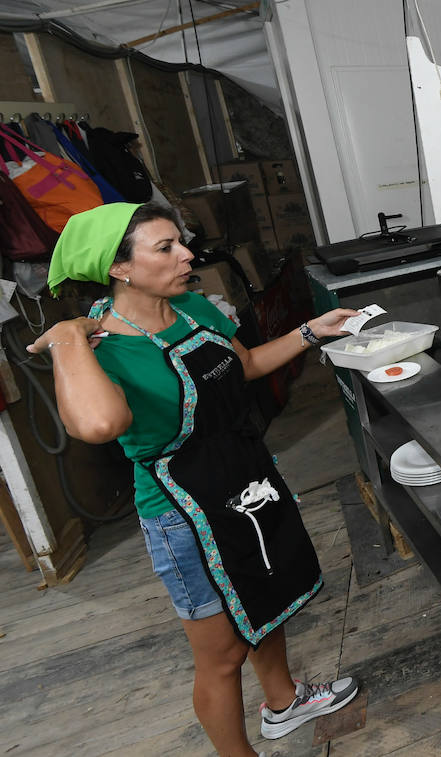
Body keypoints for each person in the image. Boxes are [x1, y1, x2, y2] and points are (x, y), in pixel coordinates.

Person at [28, 202, 362, 756]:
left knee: (266, 599)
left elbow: (246, 366)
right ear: (120, 268)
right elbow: (99, 423)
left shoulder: (190, 309)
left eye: (180, 242)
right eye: (165, 248)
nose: (187, 254)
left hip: (245, 478)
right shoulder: (99, 347)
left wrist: (311, 330)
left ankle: (284, 703)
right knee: (222, 655)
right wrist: (66, 335)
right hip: (183, 514)